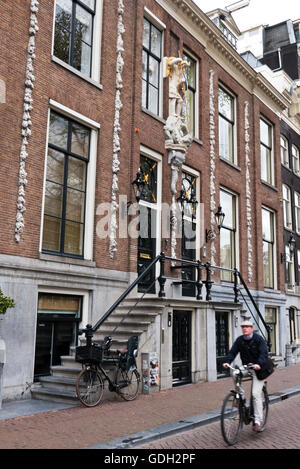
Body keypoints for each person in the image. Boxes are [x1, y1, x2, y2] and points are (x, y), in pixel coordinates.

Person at [222, 320, 269, 432]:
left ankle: (257, 421)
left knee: (255, 394)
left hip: (259, 369)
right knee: (235, 372)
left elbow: (264, 354)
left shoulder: (259, 339)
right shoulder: (240, 340)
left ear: (252, 329)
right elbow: (232, 352)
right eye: (243, 327)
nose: (245, 328)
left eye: (247, 327)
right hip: (247, 367)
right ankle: (241, 396)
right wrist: (227, 362)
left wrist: (259, 364)